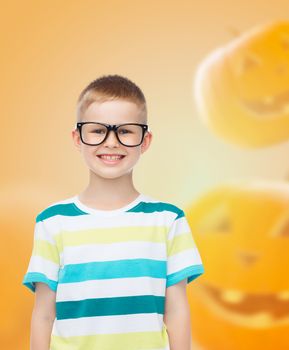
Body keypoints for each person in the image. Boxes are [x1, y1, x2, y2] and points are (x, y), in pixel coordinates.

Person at [22, 74, 205, 350]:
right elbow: (43, 314)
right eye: (97, 130)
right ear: (77, 138)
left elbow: (177, 310)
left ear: (145, 140)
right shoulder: (52, 222)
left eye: (125, 130)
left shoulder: (169, 220)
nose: (111, 142)